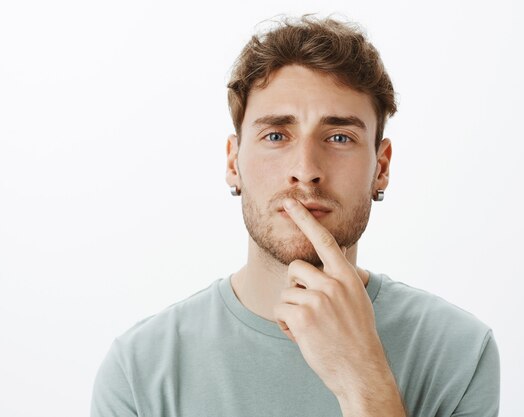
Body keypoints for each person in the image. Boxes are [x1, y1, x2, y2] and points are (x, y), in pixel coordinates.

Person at [91, 15, 500, 417]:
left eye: (339, 137)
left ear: (382, 168)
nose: (305, 169)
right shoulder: (139, 369)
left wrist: (363, 380)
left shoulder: (459, 352)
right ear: (234, 162)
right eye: (276, 136)